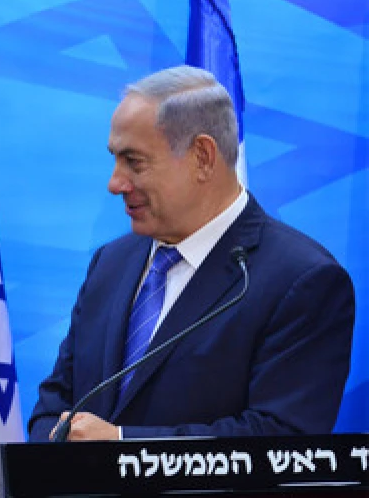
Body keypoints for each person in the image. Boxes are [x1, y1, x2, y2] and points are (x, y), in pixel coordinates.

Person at [28, 66, 355, 441]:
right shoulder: (110, 263)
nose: (114, 183)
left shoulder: (302, 280)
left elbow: (281, 437)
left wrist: (122, 445)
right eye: (115, 159)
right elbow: (54, 403)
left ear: (202, 156)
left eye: (134, 162)